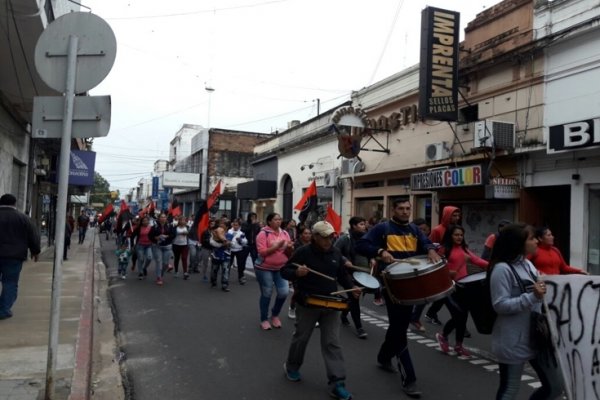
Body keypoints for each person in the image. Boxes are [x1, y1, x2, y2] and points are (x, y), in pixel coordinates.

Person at [356, 199, 440, 398]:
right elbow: (361, 244)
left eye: (408, 208)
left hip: (411, 283)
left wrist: (430, 249)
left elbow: (425, 242)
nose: (405, 212)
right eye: (401, 209)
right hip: (391, 285)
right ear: (393, 209)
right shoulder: (382, 228)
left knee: (397, 326)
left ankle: (384, 356)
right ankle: (409, 378)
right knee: (400, 329)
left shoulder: (413, 229)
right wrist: (380, 251)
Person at [281, 221, 359, 400]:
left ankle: (337, 382)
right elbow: (284, 271)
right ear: (315, 237)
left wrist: (352, 287)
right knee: (301, 337)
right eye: (324, 237)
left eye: (331, 236)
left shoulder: (336, 252)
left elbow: (342, 275)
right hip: (308, 302)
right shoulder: (303, 252)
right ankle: (292, 366)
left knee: (332, 342)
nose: (328, 240)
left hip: (332, 304)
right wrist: (296, 273)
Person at [489, 223, 563, 399]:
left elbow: (540, 284)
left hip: (537, 336)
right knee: (510, 389)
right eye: (531, 238)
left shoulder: (527, 264)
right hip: (513, 339)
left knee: (555, 386)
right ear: (518, 243)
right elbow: (500, 305)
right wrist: (532, 297)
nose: (537, 241)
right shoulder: (502, 269)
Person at [435, 225, 488, 356]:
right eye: (456, 235)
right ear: (450, 236)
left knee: (463, 317)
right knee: (459, 315)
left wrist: (494, 266)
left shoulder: (464, 248)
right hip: (449, 287)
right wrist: (455, 269)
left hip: (464, 287)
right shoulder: (444, 249)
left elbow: (477, 260)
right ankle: (443, 336)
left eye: (461, 235)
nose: (459, 237)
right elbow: (439, 269)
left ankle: (458, 345)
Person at [0, 194, 41, 320]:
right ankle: (3, 310)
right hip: (14, 256)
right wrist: (35, 251)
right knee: (10, 283)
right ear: (14, 204)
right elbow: (33, 235)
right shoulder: (23, 218)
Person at [255, 213, 293, 330]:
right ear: (269, 221)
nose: (278, 221)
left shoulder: (285, 233)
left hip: (281, 268)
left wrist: (290, 248)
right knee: (267, 293)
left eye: (280, 219)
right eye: (276, 219)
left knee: (284, 292)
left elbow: (288, 253)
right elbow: (262, 252)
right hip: (264, 268)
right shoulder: (263, 234)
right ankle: (264, 319)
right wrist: (277, 246)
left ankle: (275, 315)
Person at [425, 205, 460, 326]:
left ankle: (430, 313)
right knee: (448, 293)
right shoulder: (437, 230)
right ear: (447, 216)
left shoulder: (456, 229)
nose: (456, 218)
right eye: (453, 215)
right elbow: (430, 246)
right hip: (441, 265)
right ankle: (458, 321)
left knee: (446, 293)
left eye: (457, 215)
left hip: (454, 265)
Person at [335, 216, 369, 339]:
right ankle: (359, 327)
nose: (364, 226)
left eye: (364, 224)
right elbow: (335, 251)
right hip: (346, 273)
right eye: (361, 224)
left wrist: (374, 259)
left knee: (354, 297)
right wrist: (344, 260)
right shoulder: (345, 238)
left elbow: (371, 251)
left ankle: (344, 314)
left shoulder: (367, 238)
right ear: (354, 226)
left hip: (362, 273)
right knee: (354, 298)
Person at [409, 218, 431, 332]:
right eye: (420, 229)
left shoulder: (426, 240)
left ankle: (415, 317)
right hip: (409, 271)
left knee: (424, 297)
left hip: (423, 270)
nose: (422, 232)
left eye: (425, 229)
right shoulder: (408, 240)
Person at [288, 226, 312, 319]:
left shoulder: (313, 244)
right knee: (298, 292)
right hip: (297, 271)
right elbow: (292, 260)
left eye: (309, 233)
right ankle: (292, 307)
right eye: (305, 233)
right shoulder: (296, 245)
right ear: (301, 235)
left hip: (310, 272)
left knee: (311, 293)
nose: (308, 235)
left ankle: (310, 315)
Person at [150, 213, 175, 286]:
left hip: (167, 246)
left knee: (165, 264)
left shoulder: (170, 225)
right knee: (158, 261)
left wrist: (167, 236)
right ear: (159, 218)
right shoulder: (155, 226)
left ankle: (160, 273)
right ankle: (159, 277)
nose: (163, 218)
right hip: (157, 246)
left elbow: (173, 234)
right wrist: (156, 237)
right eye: (161, 217)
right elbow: (150, 235)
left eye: (164, 217)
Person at [209, 221, 232, 291]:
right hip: (216, 254)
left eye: (223, 224)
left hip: (226, 255)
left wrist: (228, 243)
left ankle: (224, 284)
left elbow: (231, 244)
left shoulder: (229, 235)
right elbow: (212, 243)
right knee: (214, 269)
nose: (221, 225)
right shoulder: (214, 233)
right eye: (221, 224)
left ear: (227, 227)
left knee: (226, 270)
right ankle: (213, 281)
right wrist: (221, 244)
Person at [131, 216, 153, 280]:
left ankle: (144, 268)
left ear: (148, 221)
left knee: (149, 258)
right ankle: (140, 273)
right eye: (143, 221)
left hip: (149, 245)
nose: (145, 222)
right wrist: (132, 245)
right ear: (142, 222)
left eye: (146, 220)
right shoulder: (138, 228)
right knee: (140, 259)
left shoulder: (151, 228)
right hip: (140, 245)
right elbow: (132, 236)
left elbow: (154, 236)